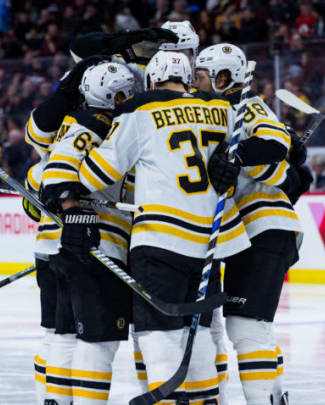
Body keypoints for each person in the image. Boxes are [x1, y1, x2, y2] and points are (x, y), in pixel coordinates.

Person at [76, 50, 252, 404]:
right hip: (209, 244)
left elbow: (94, 175)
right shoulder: (223, 110)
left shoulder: (140, 111)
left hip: (159, 241)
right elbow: (242, 155)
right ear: (187, 79)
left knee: (159, 339)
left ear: (153, 81)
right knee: (199, 335)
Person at [195, 43, 306, 405]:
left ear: (224, 77)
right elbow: (282, 164)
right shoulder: (216, 111)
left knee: (247, 326)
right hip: (245, 232)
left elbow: (276, 144)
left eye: (201, 75)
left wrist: (237, 156)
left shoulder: (249, 105)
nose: (194, 81)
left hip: (265, 226)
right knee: (246, 327)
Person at [38, 61, 136, 405]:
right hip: (98, 246)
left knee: (66, 334)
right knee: (99, 341)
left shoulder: (82, 122)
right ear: (115, 95)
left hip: (69, 248)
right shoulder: (98, 123)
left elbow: (45, 175)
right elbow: (58, 170)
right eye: (127, 92)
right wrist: (74, 212)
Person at [21, 55, 111, 405]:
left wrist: (37, 197)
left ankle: (50, 399)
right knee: (78, 336)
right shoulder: (93, 128)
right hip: (77, 241)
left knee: (55, 334)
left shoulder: (57, 134)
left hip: (48, 245)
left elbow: (33, 198)